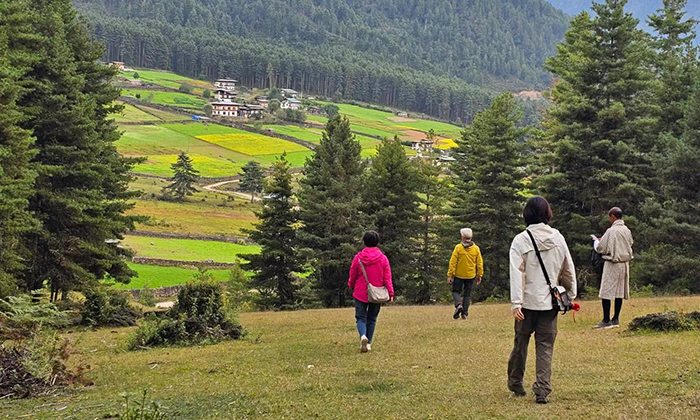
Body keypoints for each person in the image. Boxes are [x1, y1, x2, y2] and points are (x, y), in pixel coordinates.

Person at [508, 196, 576, 404]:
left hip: (527, 303)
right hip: (550, 302)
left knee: (521, 342)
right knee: (545, 345)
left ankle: (516, 382)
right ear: (547, 213)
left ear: (526, 214)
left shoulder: (521, 239)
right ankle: (542, 390)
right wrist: (570, 296)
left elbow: (516, 272)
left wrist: (516, 303)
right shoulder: (558, 238)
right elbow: (568, 270)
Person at [348, 231, 394, 353]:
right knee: (372, 318)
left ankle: (363, 335)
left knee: (360, 317)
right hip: (376, 292)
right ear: (377, 242)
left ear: (364, 242)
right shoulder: (383, 259)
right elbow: (387, 277)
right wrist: (390, 293)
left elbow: (353, 274)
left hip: (360, 291)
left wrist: (351, 285)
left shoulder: (358, 258)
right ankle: (368, 343)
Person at [593, 207, 634, 330]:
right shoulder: (627, 230)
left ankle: (606, 320)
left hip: (613, 263)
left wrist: (597, 242)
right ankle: (616, 318)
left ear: (612, 216)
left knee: (606, 291)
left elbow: (601, 248)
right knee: (619, 292)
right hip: (624, 264)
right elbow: (630, 243)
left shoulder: (611, 231)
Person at [447, 228, 484, 320]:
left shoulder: (458, 248)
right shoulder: (476, 249)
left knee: (456, 291)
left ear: (463, 237)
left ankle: (458, 305)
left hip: (459, 275)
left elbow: (453, 262)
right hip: (471, 275)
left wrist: (450, 275)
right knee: (467, 295)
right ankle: (465, 314)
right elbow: (479, 263)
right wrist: (480, 274)